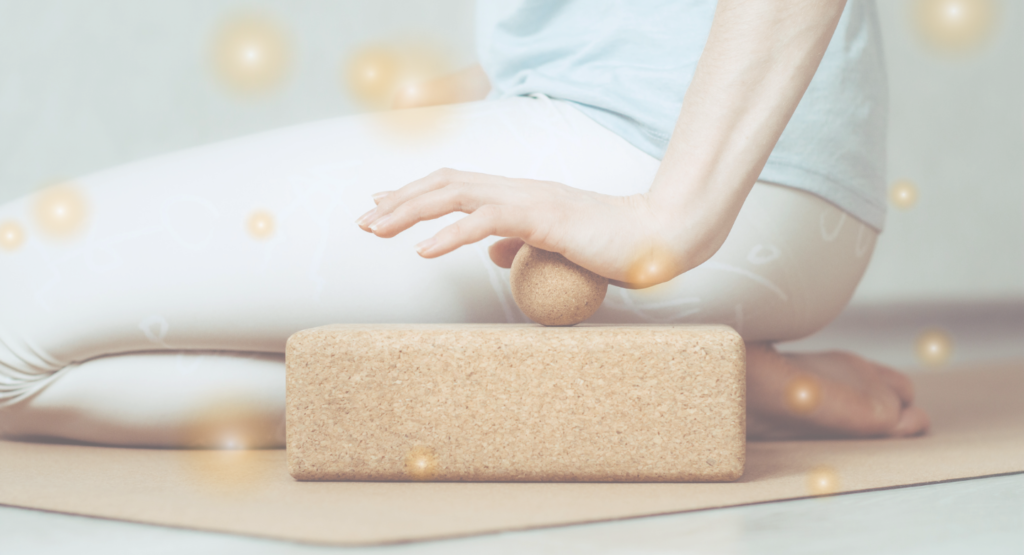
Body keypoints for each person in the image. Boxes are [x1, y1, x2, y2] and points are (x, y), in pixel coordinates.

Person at [0, 0, 929, 448]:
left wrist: (669, 220)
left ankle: (649, 396)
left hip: (689, 173)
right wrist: (482, 86)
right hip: (764, 192)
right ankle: (675, 388)